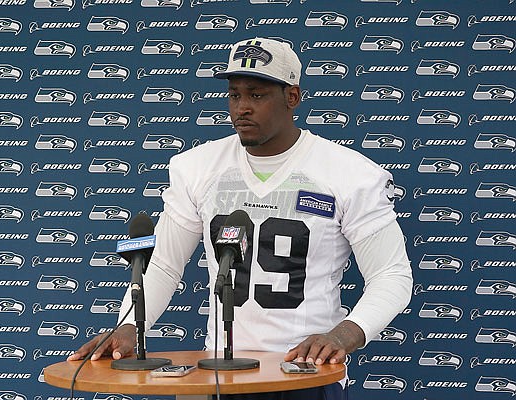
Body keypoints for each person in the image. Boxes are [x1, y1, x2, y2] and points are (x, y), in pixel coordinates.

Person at [69, 37, 413, 400]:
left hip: (306, 374)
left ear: (292, 97)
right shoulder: (198, 168)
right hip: (221, 372)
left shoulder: (349, 174)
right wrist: (130, 327)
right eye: (234, 95)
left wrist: (344, 334)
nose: (242, 108)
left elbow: (391, 275)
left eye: (257, 95)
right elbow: (165, 265)